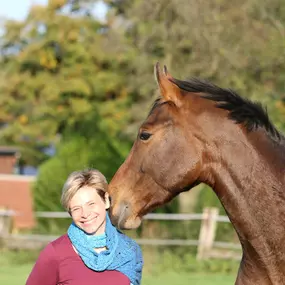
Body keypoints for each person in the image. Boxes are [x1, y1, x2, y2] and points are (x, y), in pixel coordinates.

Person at [26, 169, 143, 285]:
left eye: (91, 204)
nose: (85, 214)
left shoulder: (130, 251)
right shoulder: (55, 253)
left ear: (106, 201)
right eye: (77, 208)